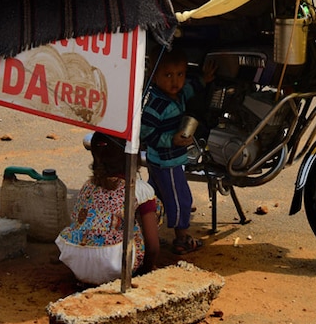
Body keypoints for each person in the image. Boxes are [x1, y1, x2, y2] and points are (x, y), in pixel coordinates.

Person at [55, 132, 161, 285]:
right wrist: (147, 270)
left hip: (77, 265)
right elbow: (153, 247)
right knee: (154, 206)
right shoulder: (139, 189)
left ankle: (89, 275)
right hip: (116, 267)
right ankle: (129, 269)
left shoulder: (88, 185)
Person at [140, 48, 215, 255]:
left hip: (161, 162)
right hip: (167, 163)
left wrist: (203, 80)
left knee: (154, 197)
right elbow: (146, 135)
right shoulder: (156, 105)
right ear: (154, 76)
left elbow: (189, 89)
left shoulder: (177, 94)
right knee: (180, 199)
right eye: (168, 75)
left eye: (180, 74)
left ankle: (147, 233)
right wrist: (170, 140)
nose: (175, 81)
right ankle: (181, 239)